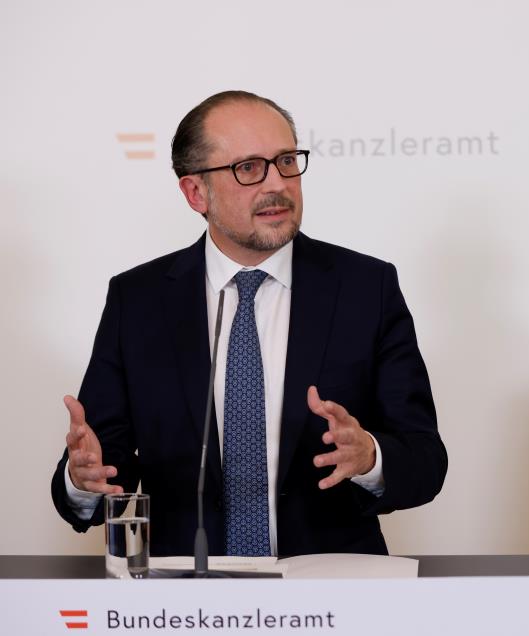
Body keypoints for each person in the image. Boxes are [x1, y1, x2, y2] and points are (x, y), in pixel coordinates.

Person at [51, 91, 447, 557]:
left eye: (285, 161)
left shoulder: (366, 289)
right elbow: (102, 463)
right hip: (183, 601)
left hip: (331, 594)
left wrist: (369, 457)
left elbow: (424, 461)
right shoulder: (138, 300)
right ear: (196, 192)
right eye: (249, 168)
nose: (276, 184)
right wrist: (83, 480)